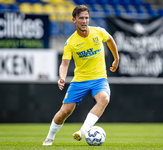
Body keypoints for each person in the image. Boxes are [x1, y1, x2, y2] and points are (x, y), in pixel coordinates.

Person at [43, 5, 119, 146]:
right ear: (74, 20)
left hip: (99, 78)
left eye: (86, 18)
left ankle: (83, 131)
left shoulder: (98, 32)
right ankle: (49, 138)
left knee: (104, 99)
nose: (84, 21)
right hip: (80, 80)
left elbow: (110, 40)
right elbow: (64, 64)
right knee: (65, 111)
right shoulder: (71, 42)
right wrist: (62, 77)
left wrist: (116, 59)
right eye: (81, 18)